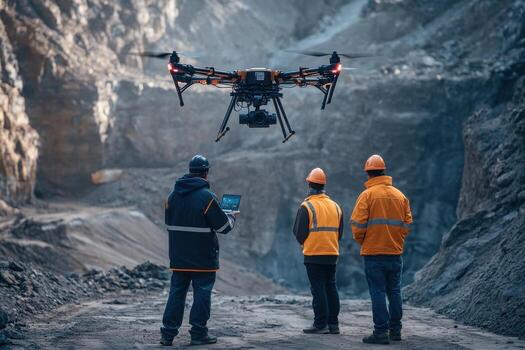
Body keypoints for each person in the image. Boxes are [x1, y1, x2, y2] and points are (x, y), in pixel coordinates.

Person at [160, 155, 237, 346]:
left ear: (189, 171)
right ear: (206, 172)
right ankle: (198, 333)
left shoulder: (172, 196)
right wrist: (231, 215)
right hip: (203, 258)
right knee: (202, 293)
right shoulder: (207, 198)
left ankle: (167, 335)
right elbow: (224, 228)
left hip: (178, 257)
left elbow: (168, 223)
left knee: (176, 293)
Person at [350, 154, 413, 344]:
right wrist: (397, 239)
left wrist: (364, 241)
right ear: (384, 172)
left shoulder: (367, 195)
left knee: (377, 291)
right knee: (394, 290)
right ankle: (395, 331)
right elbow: (407, 224)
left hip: (373, 253)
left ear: (368, 174)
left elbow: (357, 226)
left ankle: (380, 332)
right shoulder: (400, 196)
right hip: (395, 253)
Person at [293, 168, 344, 335]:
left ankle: (320, 323)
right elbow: (340, 233)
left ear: (309, 184)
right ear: (324, 186)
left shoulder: (306, 206)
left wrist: (306, 243)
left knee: (318, 289)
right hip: (332, 253)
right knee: (331, 286)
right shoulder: (336, 206)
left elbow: (299, 233)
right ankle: (333, 324)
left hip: (314, 254)